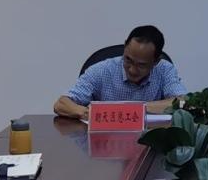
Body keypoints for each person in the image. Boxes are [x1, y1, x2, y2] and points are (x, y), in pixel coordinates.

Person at [54, 25, 187, 121]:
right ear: (125, 48)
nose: (132, 70)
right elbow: (61, 104)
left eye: (141, 65)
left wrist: (132, 110)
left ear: (155, 61)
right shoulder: (102, 70)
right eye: (128, 60)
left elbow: (182, 102)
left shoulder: (164, 70)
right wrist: (86, 113)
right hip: (106, 143)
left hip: (149, 142)